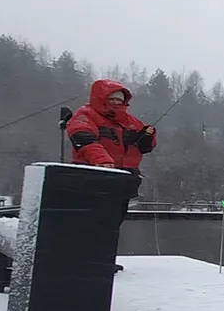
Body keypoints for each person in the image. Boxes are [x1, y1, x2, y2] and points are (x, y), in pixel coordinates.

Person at [66, 79, 157, 229]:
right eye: (112, 99)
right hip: (92, 179)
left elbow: (146, 147)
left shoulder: (131, 121)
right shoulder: (86, 115)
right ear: (101, 98)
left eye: (119, 100)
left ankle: (102, 251)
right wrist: (101, 159)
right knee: (86, 226)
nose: (116, 103)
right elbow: (82, 137)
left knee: (111, 226)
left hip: (123, 182)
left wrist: (148, 136)